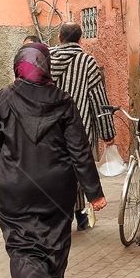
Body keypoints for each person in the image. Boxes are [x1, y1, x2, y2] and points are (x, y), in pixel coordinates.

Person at [0, 43, 107, 278]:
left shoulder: (2, 99)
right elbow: (79, 149)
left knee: (20, 240)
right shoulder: (63, 101)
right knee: (54, 238)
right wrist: (94, 192)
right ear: (46, 66)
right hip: (56, 185)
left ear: (18, 66)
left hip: (14, 184)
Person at [50, 22, 115, 230]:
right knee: (79, 168)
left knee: (57, 170)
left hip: (49, 128)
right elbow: (98, 99)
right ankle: (80, 215)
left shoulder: (46, 60)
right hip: (80, 127)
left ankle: (62, 215)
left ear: (60, 38)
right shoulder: (87, 62)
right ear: (80, 39)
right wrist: (107, 132)